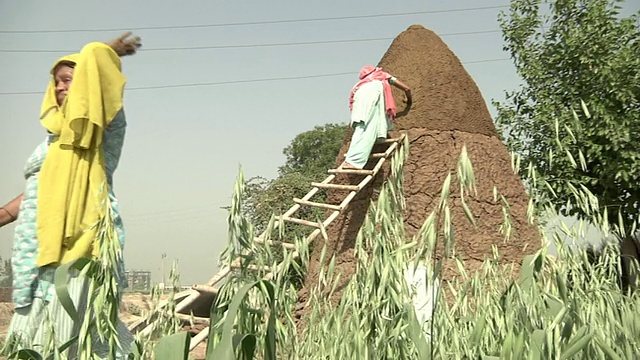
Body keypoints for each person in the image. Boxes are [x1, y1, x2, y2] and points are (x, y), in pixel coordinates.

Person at [0, 32, 141, 359]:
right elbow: (37, 193)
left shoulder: (98, 137)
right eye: (56, 81)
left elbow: (101, 88)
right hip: (35, 250)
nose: (60, 86)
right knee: (35, 338)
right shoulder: (50, 143)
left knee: (74, 334)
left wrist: (104, 52)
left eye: (68, 80)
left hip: (78, 251)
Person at [341, 65, 412, 170]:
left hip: (359, 105)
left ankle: (353, 158)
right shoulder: (381, 76)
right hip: (371, 102)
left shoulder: (360, 85)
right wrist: (409, 101)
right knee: (368, 129)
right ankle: (354, 162)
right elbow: (407, 88)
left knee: (361, 129)